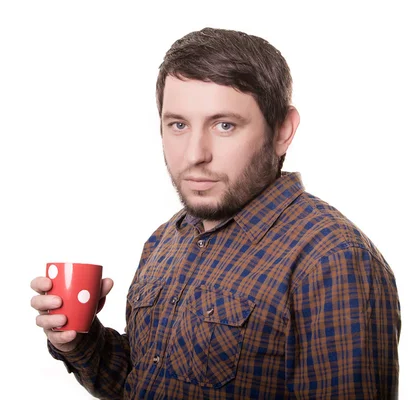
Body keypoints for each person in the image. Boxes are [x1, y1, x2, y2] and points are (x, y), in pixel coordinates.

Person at [30, 27, 400, 399]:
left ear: (283, 131)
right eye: (178, 125)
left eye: (224, 125)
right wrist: (80, 341)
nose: (194, 154)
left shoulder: (333, 260)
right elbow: (141, 384)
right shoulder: (165, 239)